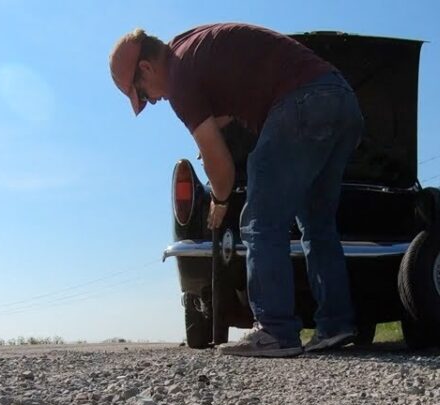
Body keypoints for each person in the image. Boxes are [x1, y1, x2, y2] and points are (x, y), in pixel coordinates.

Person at [109, 23, 365, 358]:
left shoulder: (178, 78)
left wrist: (219, 200)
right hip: (342, 100)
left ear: (146, 68)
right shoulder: (189, 47)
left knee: (261, 219)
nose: (153, 101)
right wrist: (210, 134)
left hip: (301, 103)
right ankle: (336, 324)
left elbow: (223, 170)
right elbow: (234, 96)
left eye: (143, 94)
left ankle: (275, 330)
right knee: (317, 224)